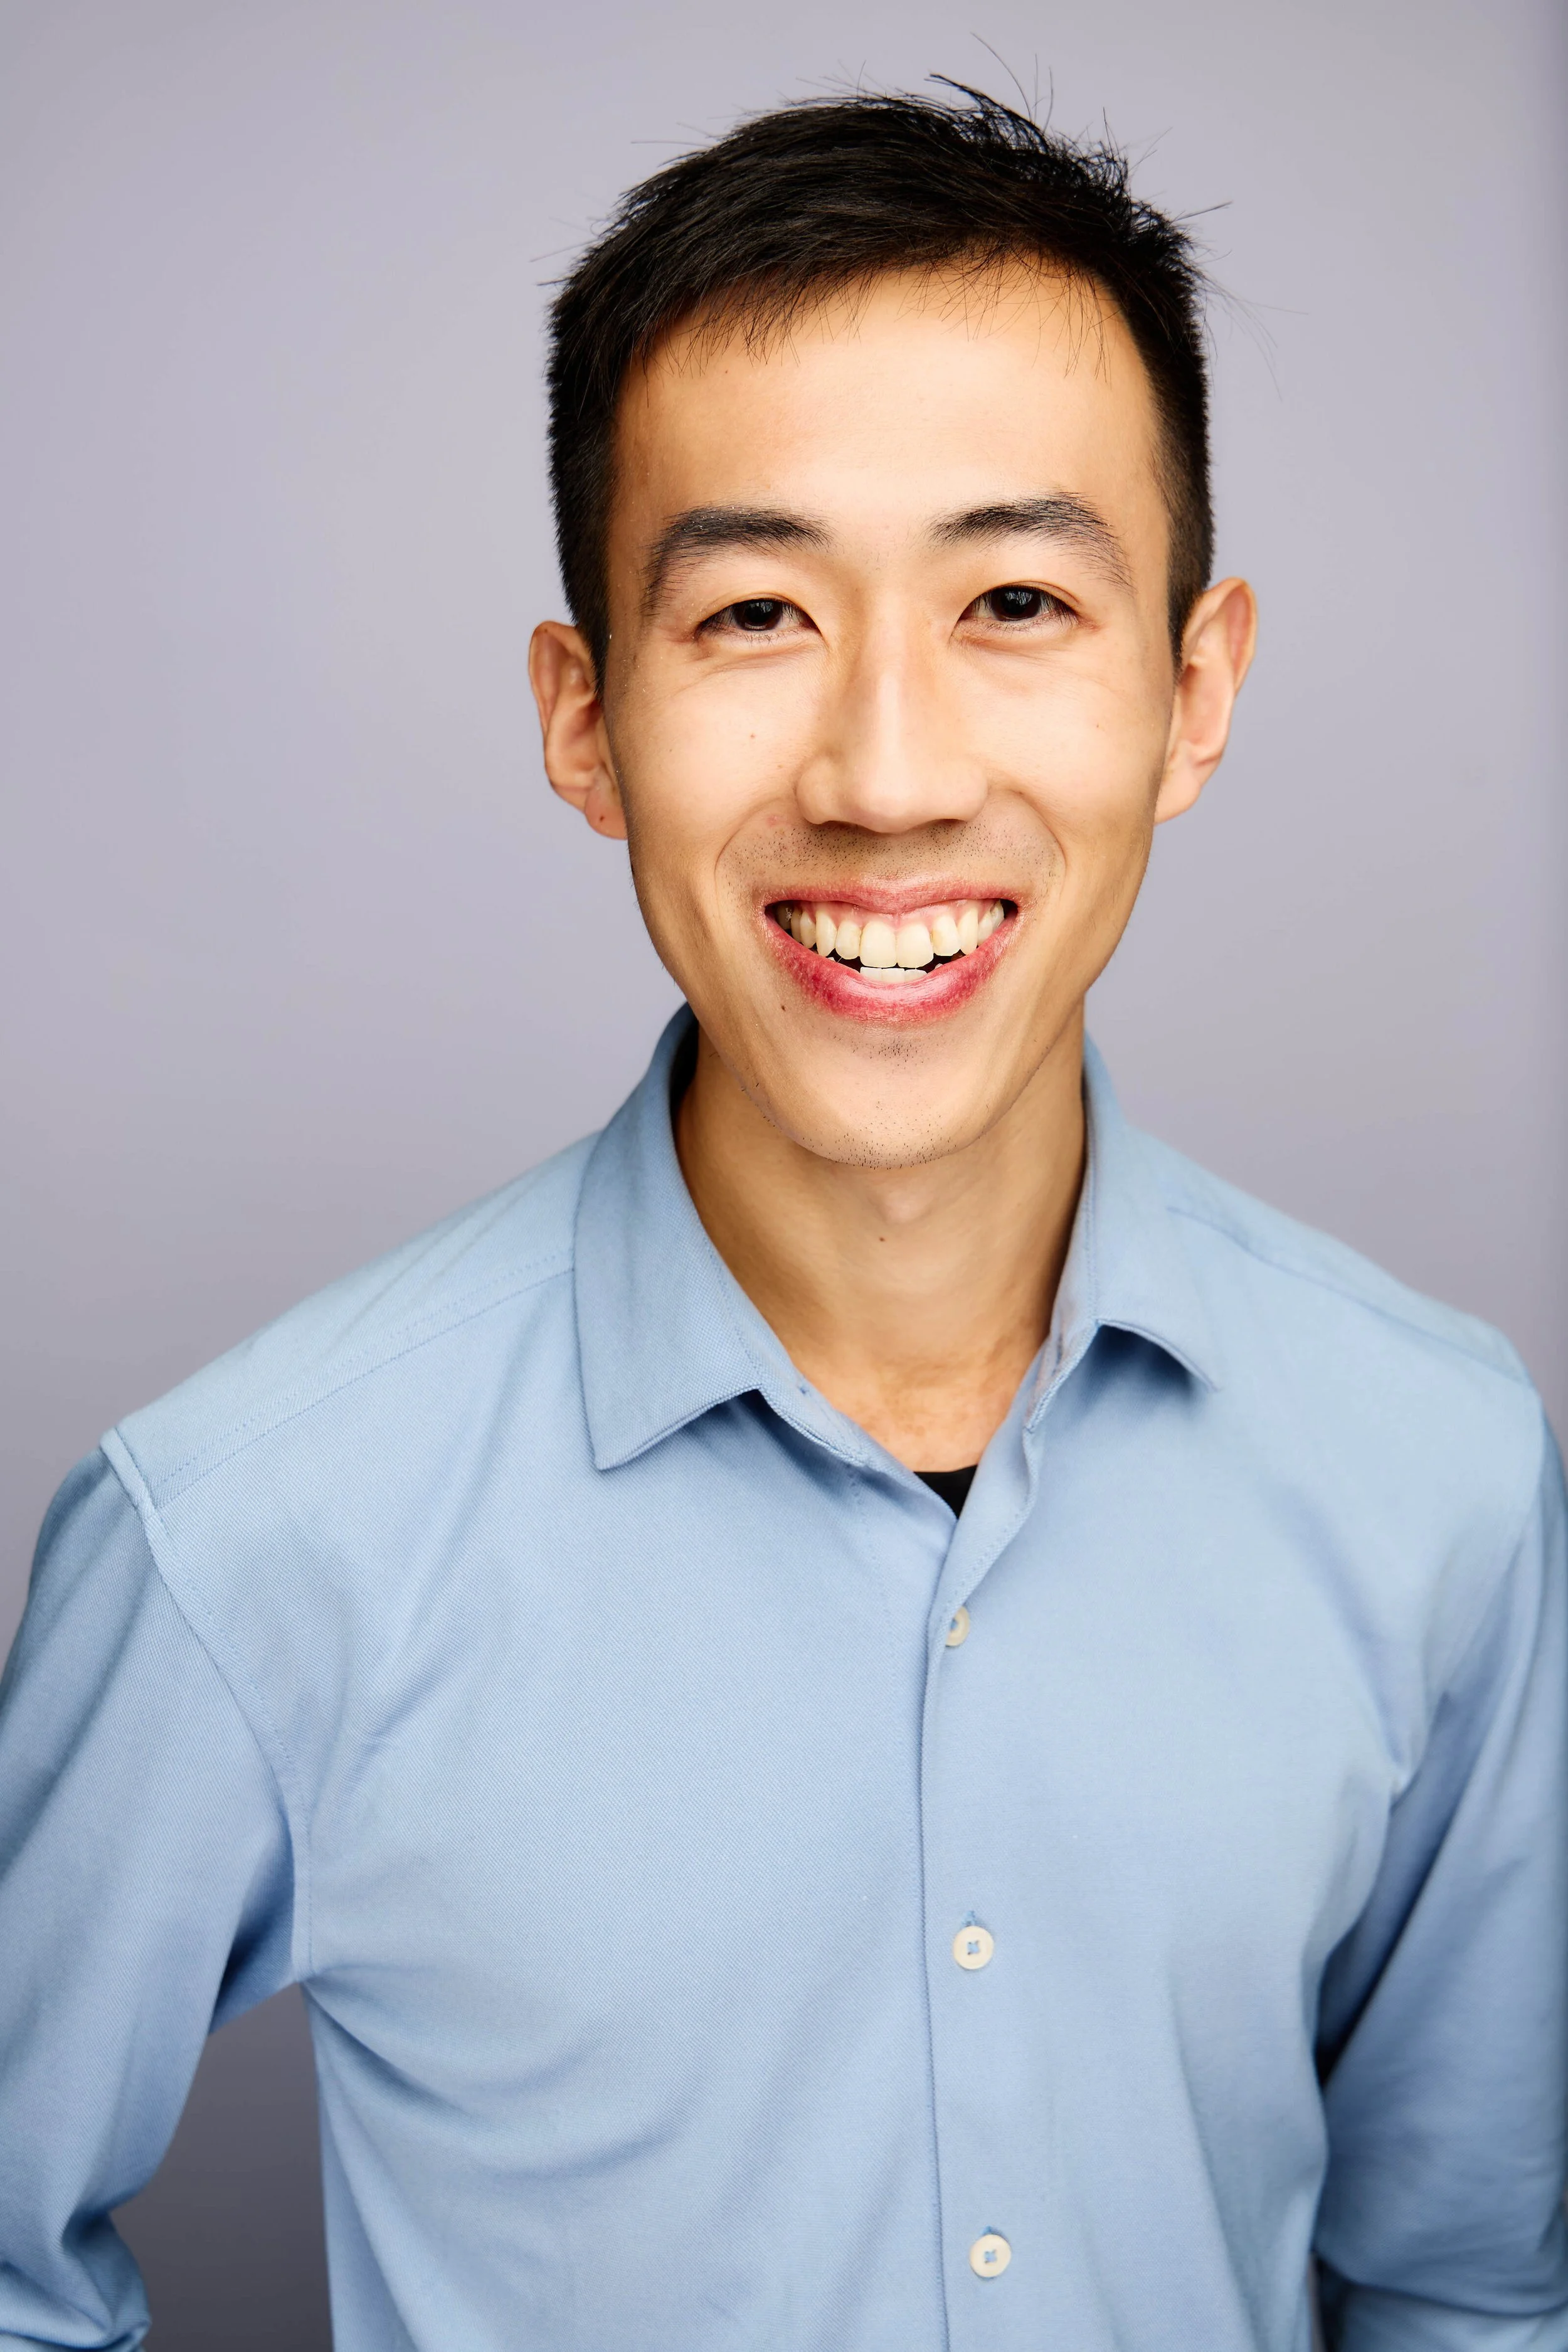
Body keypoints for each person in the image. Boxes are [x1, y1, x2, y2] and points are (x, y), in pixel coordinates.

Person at [1, 82, 1564, 2352]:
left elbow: (1465, 2288)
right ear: (585, 716)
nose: (888, 770)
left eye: (1015, 596)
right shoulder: (245, 1532)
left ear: (1194, 688)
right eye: (750, 611)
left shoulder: (1437, 1462)